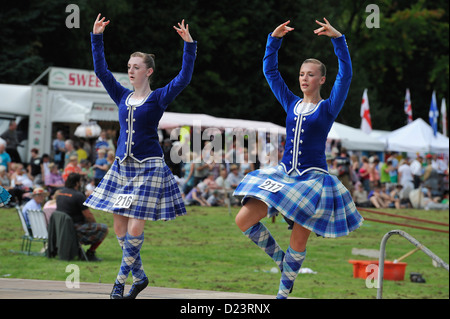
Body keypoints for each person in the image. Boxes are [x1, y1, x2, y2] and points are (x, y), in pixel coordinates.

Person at [233, 19, 363, 299]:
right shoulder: (291, 103)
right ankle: (283, 263)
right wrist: (273, 40)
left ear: (322, 80)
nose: (304, 78)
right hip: (283, 174)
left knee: (299, 238)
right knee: (243, 219)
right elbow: (270, 71)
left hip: (312, 179)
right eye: (302, 74)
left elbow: (346, 76)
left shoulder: (328, 108)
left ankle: (282, 294)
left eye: (311, 74)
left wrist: (338, 40)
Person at [84, 14, 197, 299]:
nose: (131, 71)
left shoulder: (158, 97)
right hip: (122, 167)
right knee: (119, 226)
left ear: (148, 72)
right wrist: (96, 38)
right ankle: (141, 276)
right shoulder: (121, 96)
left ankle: (119, 283)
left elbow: (184, 78)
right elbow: (101, 71)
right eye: (129, 67)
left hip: (149, 168)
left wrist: (189, 46)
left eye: (136, 67)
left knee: (135, 222)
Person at [57, 173, 108, 262]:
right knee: (104, 228)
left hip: (62, 228)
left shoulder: (60, 193)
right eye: (80, 181)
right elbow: (88, 216)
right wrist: (94, 224)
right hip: (75, 228)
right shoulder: (78, 195)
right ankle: (90, 253)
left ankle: (78, 250)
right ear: (77, 183)